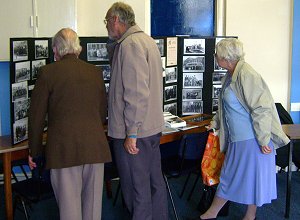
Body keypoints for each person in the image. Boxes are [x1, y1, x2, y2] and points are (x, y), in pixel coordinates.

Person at [195, 38, 290, 220]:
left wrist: (263, 140)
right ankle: (243, 216)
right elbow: (226, 108)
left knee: (231, 177)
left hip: (252, 139)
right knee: (240, 177)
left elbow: (262, 108)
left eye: (216, 55)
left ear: (225, 58)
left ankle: (212, 215)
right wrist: (215, 122)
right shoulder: (231, 75)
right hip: (240, 139)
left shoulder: (247, 75)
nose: (214, 57)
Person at [28, 28, 111, 220]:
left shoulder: (47, 73)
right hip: (95, 149)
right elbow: (102, 114)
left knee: (69, 211)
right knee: (92, 210)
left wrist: (35, 151)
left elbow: (36, 118)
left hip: (63, 151)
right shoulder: (95, 72)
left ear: (56, 49)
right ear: (78, 48)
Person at [104, 2, 168, 220]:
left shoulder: (130, 44)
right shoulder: (146, 41)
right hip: (149, 129)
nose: (106, 27)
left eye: (107, 22)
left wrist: (131, 132)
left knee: (136, 189)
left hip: (134, 133)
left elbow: (136, 92)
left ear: (115, 20)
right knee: (154, 184)